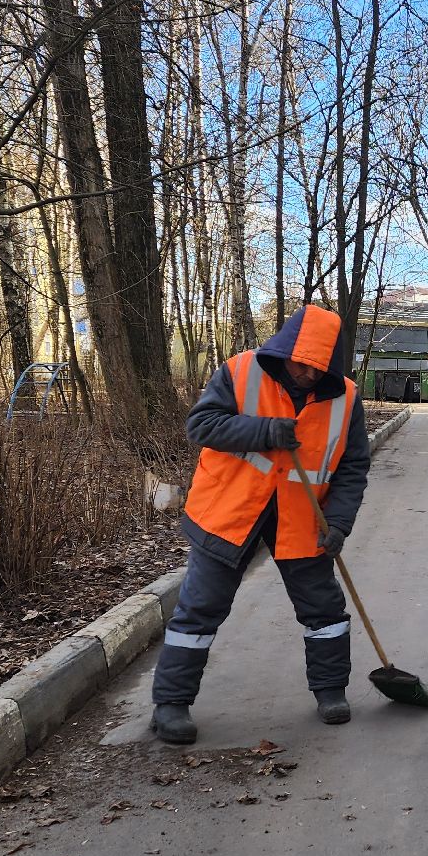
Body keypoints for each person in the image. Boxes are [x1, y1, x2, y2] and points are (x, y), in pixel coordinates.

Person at [149, 305, 371, 744]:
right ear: (285, 350)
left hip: (302, 516)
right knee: (201, 606)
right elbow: (201, 426)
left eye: (318, 368)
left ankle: (331, 692)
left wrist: (339, 523)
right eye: (300, 364)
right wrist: (265, 432)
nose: (307, 374)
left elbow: (352, 467)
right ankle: (170, 704)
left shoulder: (346, 397)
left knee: (324, 609)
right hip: (229, 510)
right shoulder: (240, 371)